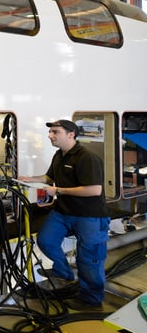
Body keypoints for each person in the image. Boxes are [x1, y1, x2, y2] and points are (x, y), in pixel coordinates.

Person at [20, 119, 110, 311]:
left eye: (55, 132)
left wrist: (59, 191)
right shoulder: (59, 155)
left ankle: (92, 300)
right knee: (46, 240)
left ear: (71, 134)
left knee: (89, 258)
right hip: (64, 212)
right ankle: (64, 272)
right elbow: (49, 177)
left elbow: (93, 190)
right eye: (50, 132)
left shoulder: (87, 157)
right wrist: (30, 179)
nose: (50, 135)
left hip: (89, 215)